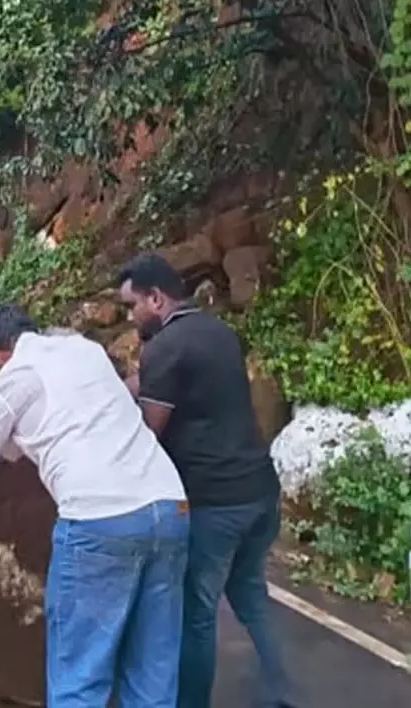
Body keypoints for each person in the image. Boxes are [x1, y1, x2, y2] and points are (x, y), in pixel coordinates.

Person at [0, 305, 190, 708]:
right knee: (154, 669)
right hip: (170, 507)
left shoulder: (9, 383)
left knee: (80, 674)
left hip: (99, 520)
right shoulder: (86, 351)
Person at [118, 253, 290, 708]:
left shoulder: (164, 348)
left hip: (216, 503)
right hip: (260, 490)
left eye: (131, 305)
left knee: (197, 614)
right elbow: (166, 379)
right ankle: (286, 692)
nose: (129, 316)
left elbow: (148, 429)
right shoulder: (219, 332)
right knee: (251, 595)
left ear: (155, 299)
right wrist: (113, 382)